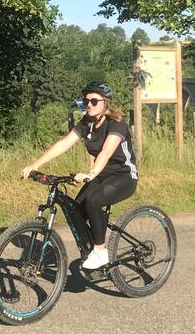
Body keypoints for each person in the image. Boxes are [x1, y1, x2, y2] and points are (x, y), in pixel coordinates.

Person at [21, 82, 138, 270]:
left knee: (93, 201)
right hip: (100, 176)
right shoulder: (87, 123)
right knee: (77, 211)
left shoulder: (117, 125)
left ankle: (100, 252)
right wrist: (35, 165)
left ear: (105, 102)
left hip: (123, 176)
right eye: (86, 101)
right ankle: (94, 251)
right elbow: (64, 144)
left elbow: (106, 153)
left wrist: (90, 173)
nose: (89, 104)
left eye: (94, 101)